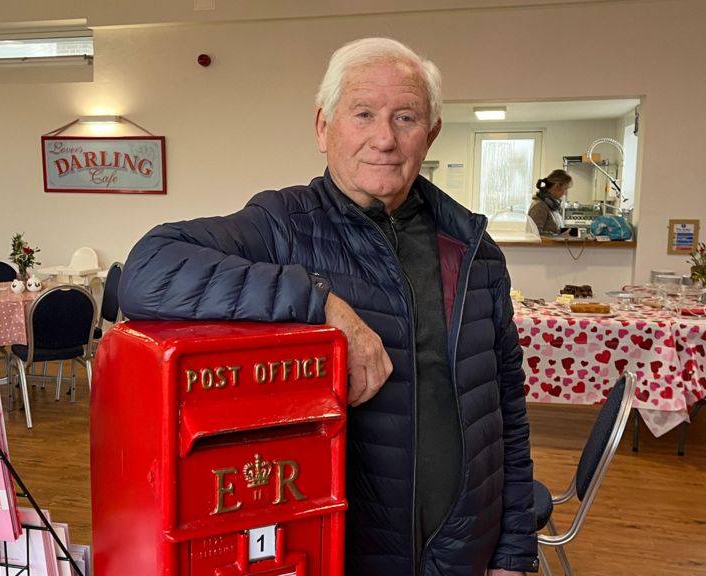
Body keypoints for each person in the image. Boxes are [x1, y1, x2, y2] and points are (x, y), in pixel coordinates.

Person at [118, 37, 537, 576]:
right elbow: (150, 269)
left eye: (405, 117)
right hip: (341, 552)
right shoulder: (280, 226)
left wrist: (513, 550)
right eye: (363, 114)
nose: (384, 139)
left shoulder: (475, 251)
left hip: (462, 550)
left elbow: (506, 408)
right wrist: (320, 303)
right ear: (323, 127)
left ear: (430, 133)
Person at [527, 169, 572, 235]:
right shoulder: (540, 206)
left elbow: (553, 229)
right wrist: (560, 236)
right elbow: (535, 234)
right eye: (565, 188)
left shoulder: (552, 205)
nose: (565, 193)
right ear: (556, 186)